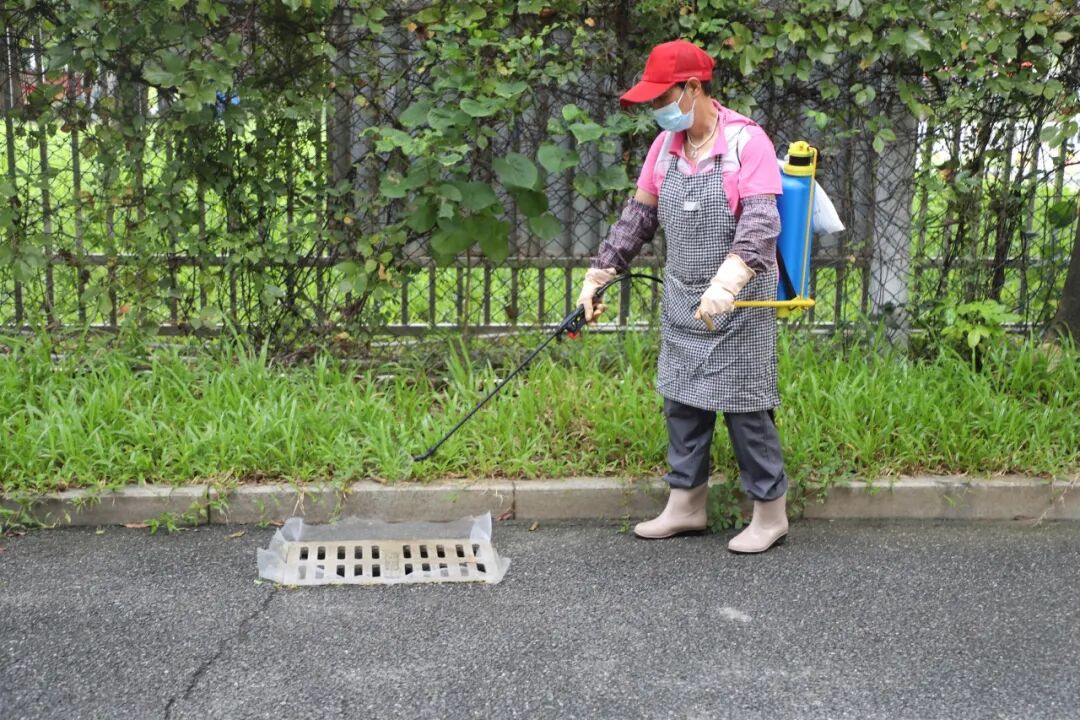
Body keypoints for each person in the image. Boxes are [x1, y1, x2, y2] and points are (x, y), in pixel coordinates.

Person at [576, 39, 789, 553]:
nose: (656, 109)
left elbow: (761, 223)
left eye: (662, 97)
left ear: (694, 88)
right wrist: (600, 273)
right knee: (683, 404)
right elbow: (638, 217)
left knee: (746, 410)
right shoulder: (664, 148)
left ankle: (770, 514)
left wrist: (728, 282)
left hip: (738, 302)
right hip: (682, 297)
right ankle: (686, 506)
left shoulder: (747, 142)